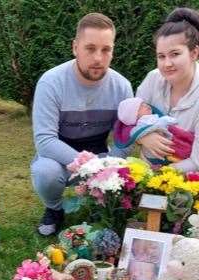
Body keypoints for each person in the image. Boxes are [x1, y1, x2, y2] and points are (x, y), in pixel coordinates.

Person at [31, 13, 133, 236]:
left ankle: (102, 205)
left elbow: (124, 140)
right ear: (75, 47)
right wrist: (90, 167)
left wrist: (108, 167)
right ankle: (54, 209)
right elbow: (45, 141)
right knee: (45, 172)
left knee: (127, 168)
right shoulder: (51, 82)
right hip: (59, 156)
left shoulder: (122, 87)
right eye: (90, 48)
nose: (98, 58)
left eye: (106, 50)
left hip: (99, 153)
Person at [136, 7, 199, 177]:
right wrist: (142, 137)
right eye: (161, 56)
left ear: (194, 52)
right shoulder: (152, 79)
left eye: (175, 54)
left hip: (195, 184)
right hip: (147, 176)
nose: (167, 64)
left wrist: (158, 176)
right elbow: (130, 119)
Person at [115, 97, 195, 165]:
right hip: (158, 151)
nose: (146, 105)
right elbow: (137, 132)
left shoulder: (152, 117)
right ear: (134, 115)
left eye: (144, 103)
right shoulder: (142, 122)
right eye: (141, 106)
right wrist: (164, 121)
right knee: (180, 149)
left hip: (168, 141)